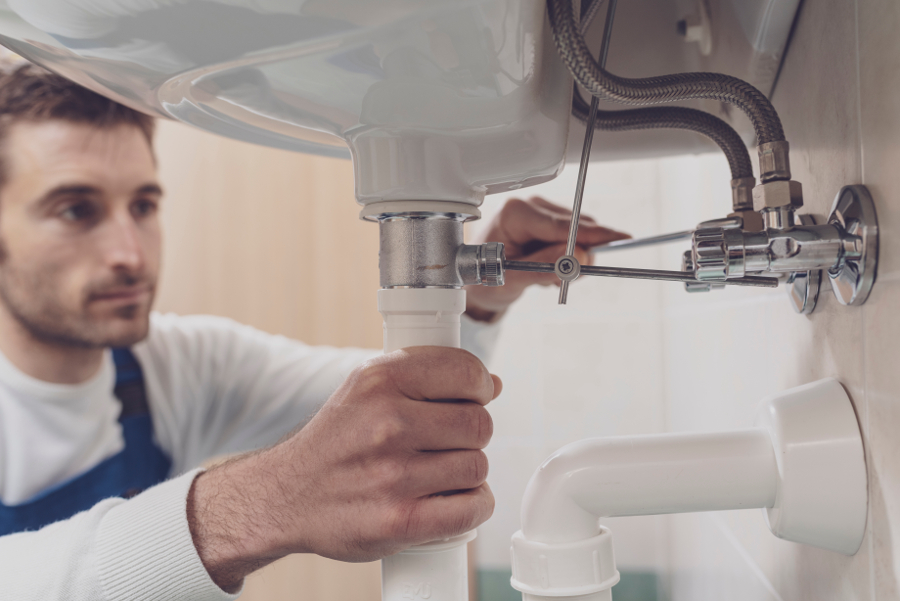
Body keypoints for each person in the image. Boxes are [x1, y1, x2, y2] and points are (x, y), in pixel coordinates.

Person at [0, 62, 628, 600]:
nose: (130, 254)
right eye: (76, 209)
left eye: (142, 206)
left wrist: (480, 294)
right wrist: (261, 503)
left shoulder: (173, 365)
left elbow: (396, 407)